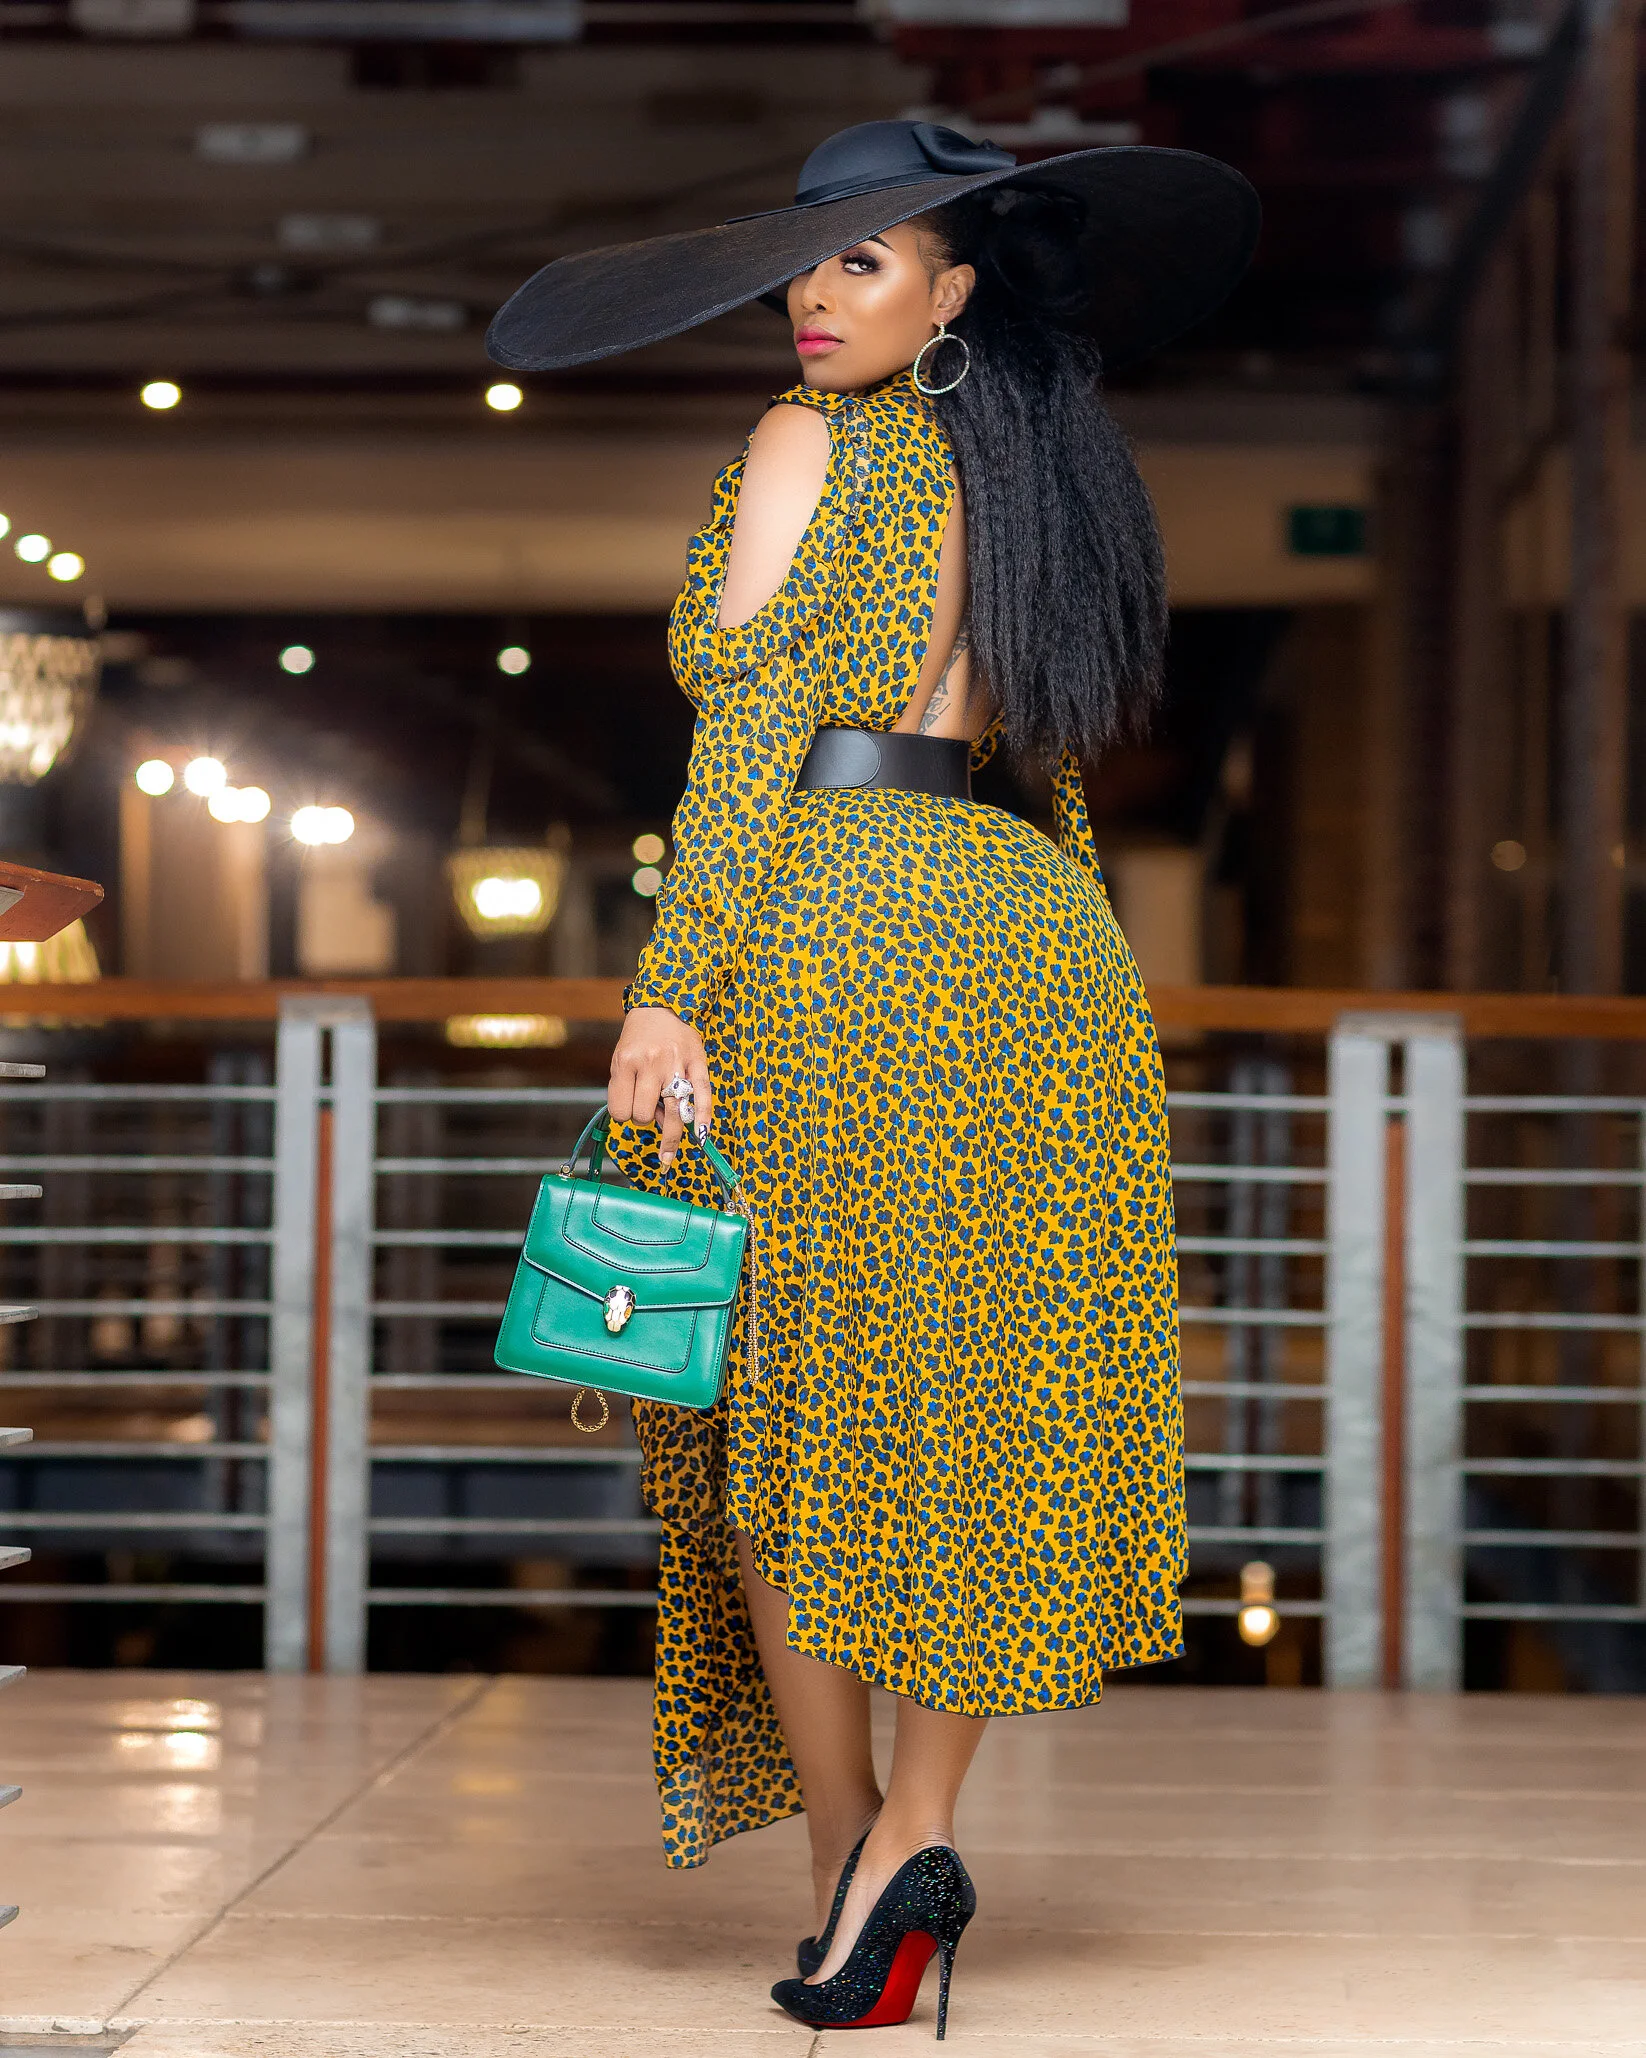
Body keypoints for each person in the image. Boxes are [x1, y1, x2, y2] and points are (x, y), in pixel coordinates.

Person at [488, 119, 1258, 2039]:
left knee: (786, 1419)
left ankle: (857, 1861)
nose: (812, 300)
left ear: (955, 289)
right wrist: (1088, 1007)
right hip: (1033, 953)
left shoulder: (798, 441)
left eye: (862, 262)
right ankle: (902, 1841)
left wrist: (669, 986)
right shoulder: (1050, 477)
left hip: (831, 939)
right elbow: (1040, 774)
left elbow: (758, 725)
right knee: (968, 1417)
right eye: (807, 264)